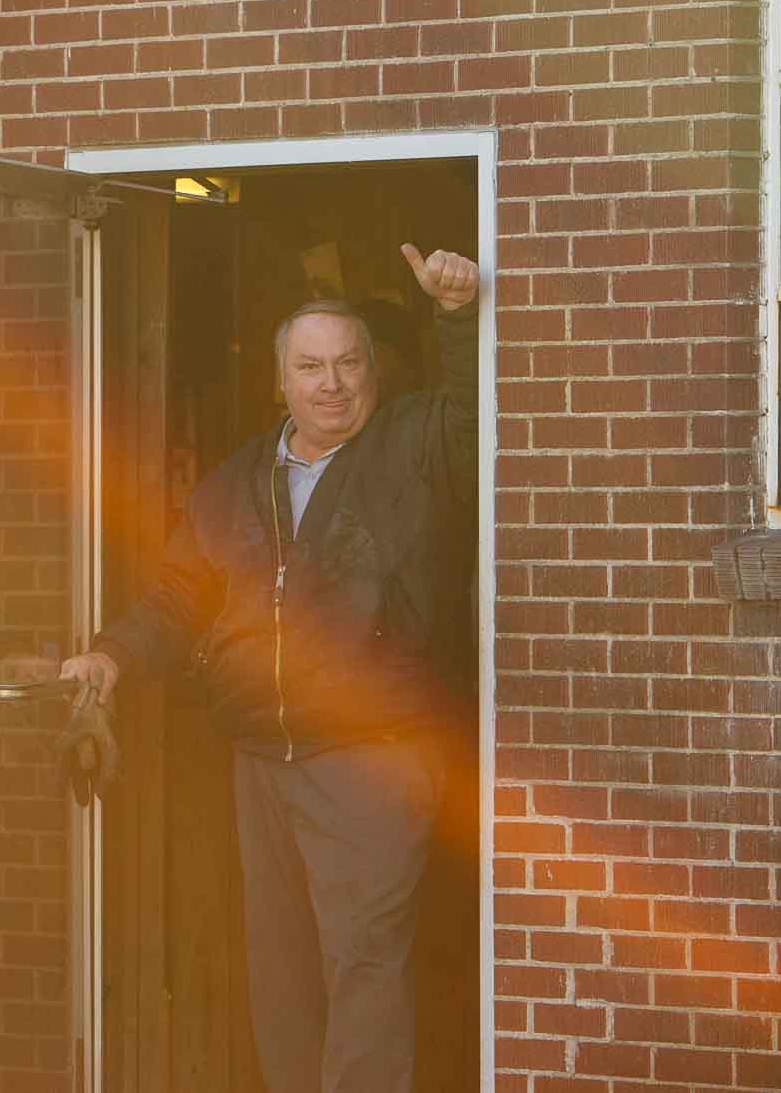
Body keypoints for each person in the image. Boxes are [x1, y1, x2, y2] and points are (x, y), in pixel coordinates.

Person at [60, 242, 479, 1093]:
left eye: (349, 363)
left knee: (363, 965)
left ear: (376, 370)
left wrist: (457, 317)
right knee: (282, 978)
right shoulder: (237, 483)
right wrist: (111, 655)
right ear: (280, 381)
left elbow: (479, 420)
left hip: (375, 755)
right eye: (311, 366)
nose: (333, 383)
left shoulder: (414, 445)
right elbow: (179, 595)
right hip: (264, 761)